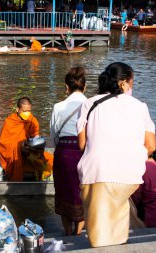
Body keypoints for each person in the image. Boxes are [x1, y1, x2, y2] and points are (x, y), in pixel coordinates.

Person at [77, 62, 156, 247]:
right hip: (130, 175)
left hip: (98, 173)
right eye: (132, 81)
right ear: (125, 83)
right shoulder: (140, 106)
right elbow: (150, 146)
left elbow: (82, 144)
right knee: (119, 219)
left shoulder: (89, 104)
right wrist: (132, 156)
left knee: (98, 234)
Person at [50, 67, 87, 236]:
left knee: (64, 192)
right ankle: (79, 234)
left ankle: (68, 232)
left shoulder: (58, 106)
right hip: (83, 152)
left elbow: (54, 135)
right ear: (85, 87)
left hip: (63, 152)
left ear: (67, 87)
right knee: (83, 192)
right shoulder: (92, 105)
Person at [0, 97, 42, 181]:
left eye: (29, 111)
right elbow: (4, 143)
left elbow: (35, 137)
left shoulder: (33, 121)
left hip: (28, 152)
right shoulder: (9, 121)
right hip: (13, 153)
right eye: (24, 111)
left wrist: (29, 145)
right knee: (17, 149)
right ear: (17, 109)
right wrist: (19, 146)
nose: (27, 113)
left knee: (49, 159)